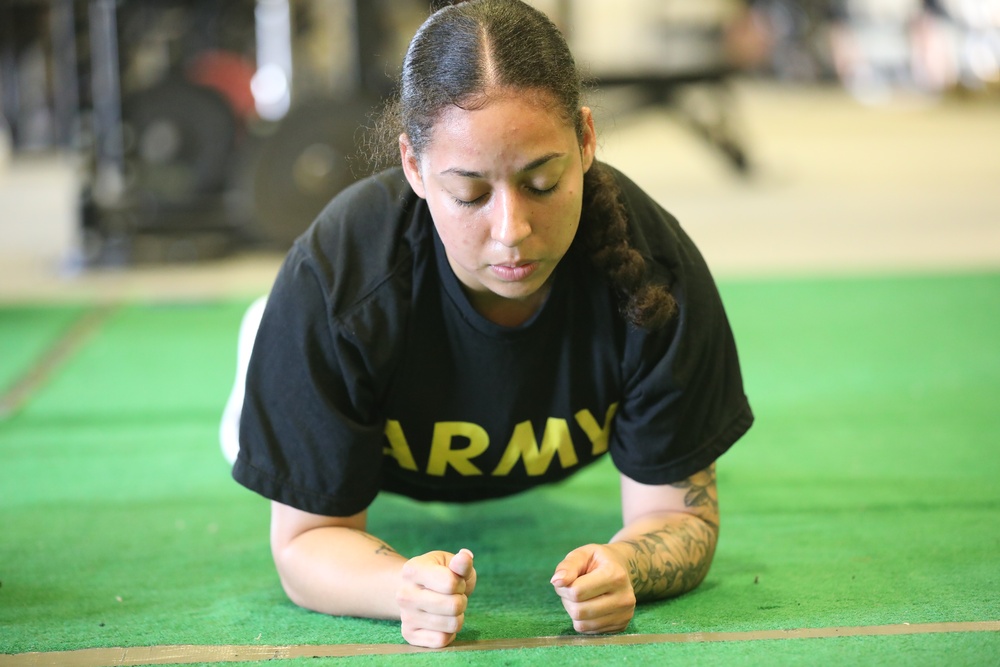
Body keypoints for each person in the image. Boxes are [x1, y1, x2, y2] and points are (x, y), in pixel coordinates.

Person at [224, 0, 753, 649]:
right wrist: (399, 586)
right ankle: (265, 343)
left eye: (542, 180)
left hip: (524, 441)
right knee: (286, 361)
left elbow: (676, 516)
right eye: (470, 194)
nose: (512, 233)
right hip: (370, 434)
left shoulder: (653, 271)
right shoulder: (338, 283)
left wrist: (628, 565)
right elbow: (306, 540)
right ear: (414, 168)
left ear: (587, 141)